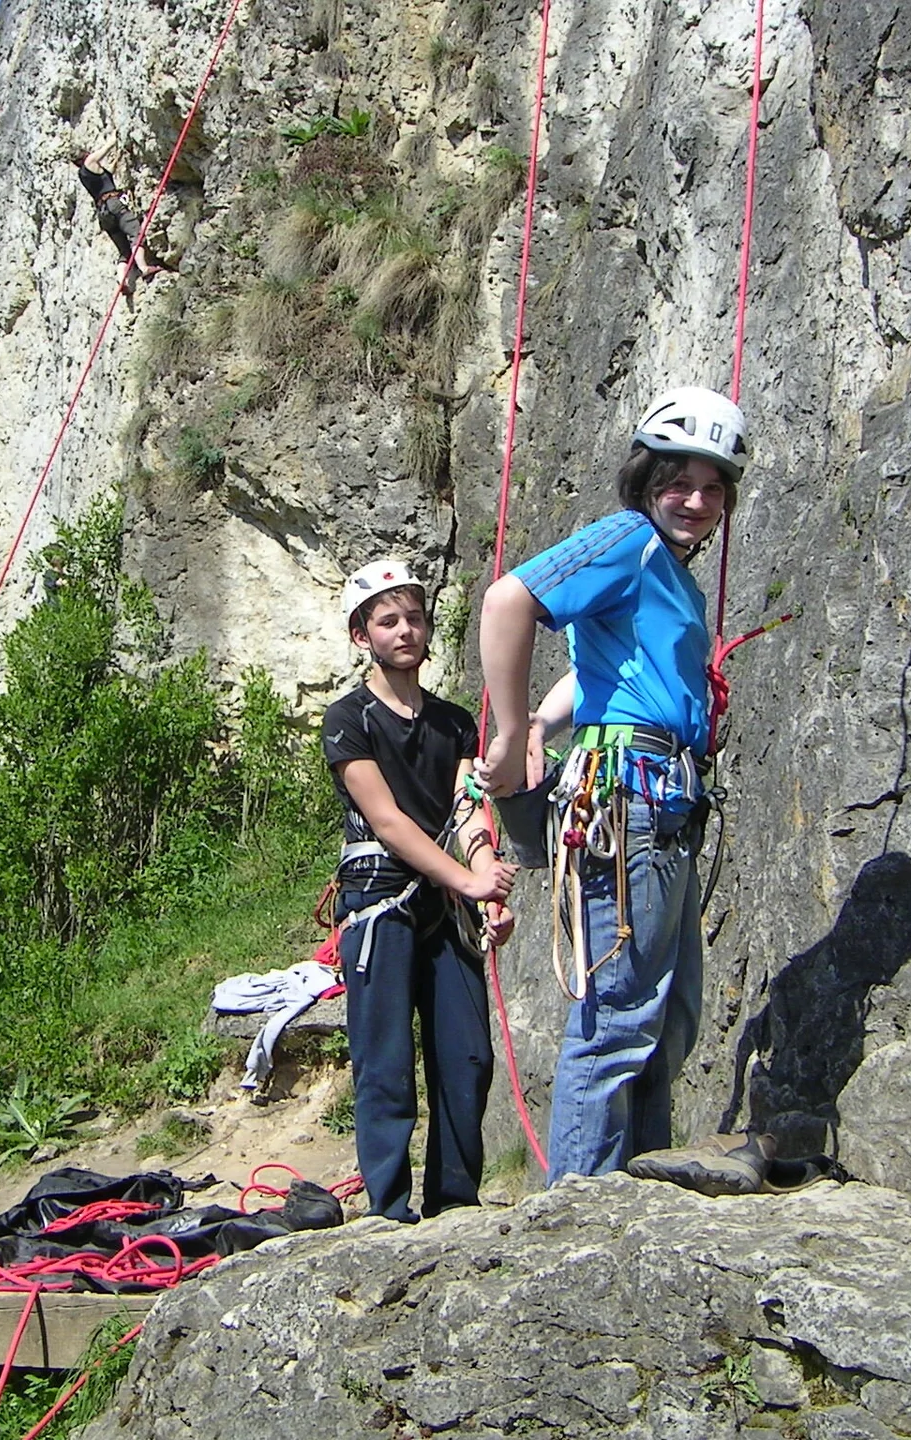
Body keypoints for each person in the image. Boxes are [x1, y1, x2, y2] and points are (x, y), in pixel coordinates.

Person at [476, 386, 749, 1185]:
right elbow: (509, 599)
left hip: (660, 798)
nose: (696, 501)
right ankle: (580, 1209)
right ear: (646, 479)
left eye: (712, 487)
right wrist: (508, 725)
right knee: (620, 1018)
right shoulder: (629, 538)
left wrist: (538, 729)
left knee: (665, 1019)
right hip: (632, 798)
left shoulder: (665, 570)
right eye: (679, 481)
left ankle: (637, 1189)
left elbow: (603, 671)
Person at [323, 560, 518, 1222]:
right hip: (380, 900)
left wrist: (487, 881)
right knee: (385, 1061)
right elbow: (387, 821)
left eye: (414, 618)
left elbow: (468, 810)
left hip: (446, 899)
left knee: (466, 1057)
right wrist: (468, 878)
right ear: (362, 636)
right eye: (388, 620)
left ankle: (455, 1202)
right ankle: (389, 1207)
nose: (405, 630)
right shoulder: (348, 720)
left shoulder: (455, 723)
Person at [75, 142, 166, 288]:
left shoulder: (83, 174)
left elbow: (105, 179)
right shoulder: (89, 162)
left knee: (124, 251)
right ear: (84, 155)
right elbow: (104, 149)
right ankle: (144, 268)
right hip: (113, 204)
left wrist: (117, 160)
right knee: (135, 233)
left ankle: (122, 280)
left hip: (103, 212)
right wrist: (114, 138)